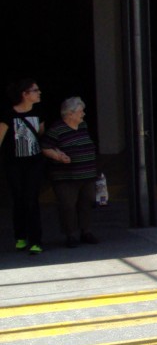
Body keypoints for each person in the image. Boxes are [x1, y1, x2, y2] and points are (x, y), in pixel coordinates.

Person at [0, 79, 69, 255]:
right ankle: (20, 236)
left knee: (31, 199)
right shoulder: (8, 115)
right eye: (35, 90)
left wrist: (54, 152)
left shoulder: (39, 112)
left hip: (34, 162)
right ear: (25, 94)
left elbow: (41, 137)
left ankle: (36, 240)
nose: (39, 93)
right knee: (18, 199)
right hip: (14, 163)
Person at [44, 96, 100, 248]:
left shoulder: (83, 126)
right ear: (69, 114)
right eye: (80, 111)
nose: (83, 114)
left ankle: (85, 231)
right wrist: (59, 156)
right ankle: (70, 234)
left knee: (87, 202)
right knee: (68, 205)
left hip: (87, 174)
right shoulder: (57, 129)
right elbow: (46, 147)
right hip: (66, 176)